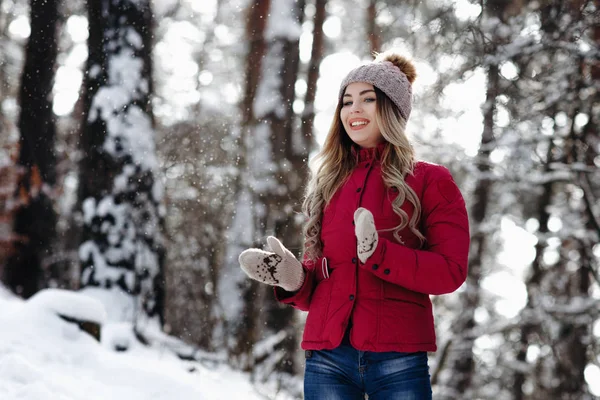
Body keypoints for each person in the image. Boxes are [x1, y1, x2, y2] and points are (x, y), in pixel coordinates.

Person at [238, 50, 470, 399]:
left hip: (399, 357)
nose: (354, 110)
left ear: (393, 109)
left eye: (368, 99)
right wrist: (294, 279)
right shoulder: (328, 183)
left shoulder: (429, 180)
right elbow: (323, 280)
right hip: (328, 358)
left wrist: (380, 254)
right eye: (346, 101)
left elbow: (450, 271)